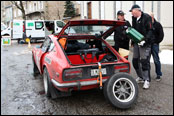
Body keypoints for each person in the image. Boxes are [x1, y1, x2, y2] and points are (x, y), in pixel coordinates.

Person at [129, 4, 154, 89]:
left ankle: (147, 80)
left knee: (144, 61)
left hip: (145, 43)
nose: (132, 14)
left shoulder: (147, 17)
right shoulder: (134, 19)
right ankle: (140, 77)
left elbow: (150, 31)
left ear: (137, 10)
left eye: (132, 12)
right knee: (135, 61)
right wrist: (132, 40)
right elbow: (133, 31)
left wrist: (145, 40)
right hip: (137, 43)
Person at [149, 12, 164, 81]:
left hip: (155, 45)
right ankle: (147, 75)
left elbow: (161, 35)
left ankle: (158, 74)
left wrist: (156, 42)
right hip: (148, 45)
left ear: (152, 17)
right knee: (146, 61)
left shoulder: (157, 25)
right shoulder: (147, 24)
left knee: (156, 60)